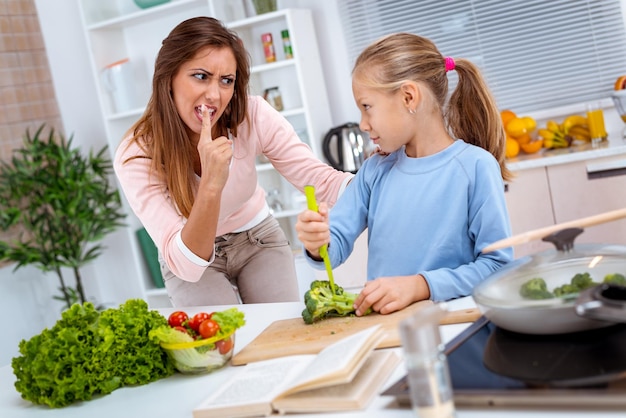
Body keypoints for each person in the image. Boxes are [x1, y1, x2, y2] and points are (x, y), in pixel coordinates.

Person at [114, 17, 352, 307]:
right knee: (224, 348)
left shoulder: (252, 115)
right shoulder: (137, 154)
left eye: (226, 80)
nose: (214, 95)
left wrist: (380, 181)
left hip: (257, 239)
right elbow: (186, 264)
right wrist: (211, 184)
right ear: (168, 78)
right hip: (191, 257)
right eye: (201, 76)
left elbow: (322, 181)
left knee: (278, 333)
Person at [295, 33, 514, 316]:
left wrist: (420, 285)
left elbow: (497, 265)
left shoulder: (475, 167)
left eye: (367, 107)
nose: (362, 124)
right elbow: (334, 242)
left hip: (453, 324)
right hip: (384, 329)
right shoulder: (374, 170)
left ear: (409, 97)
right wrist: (317, 241)